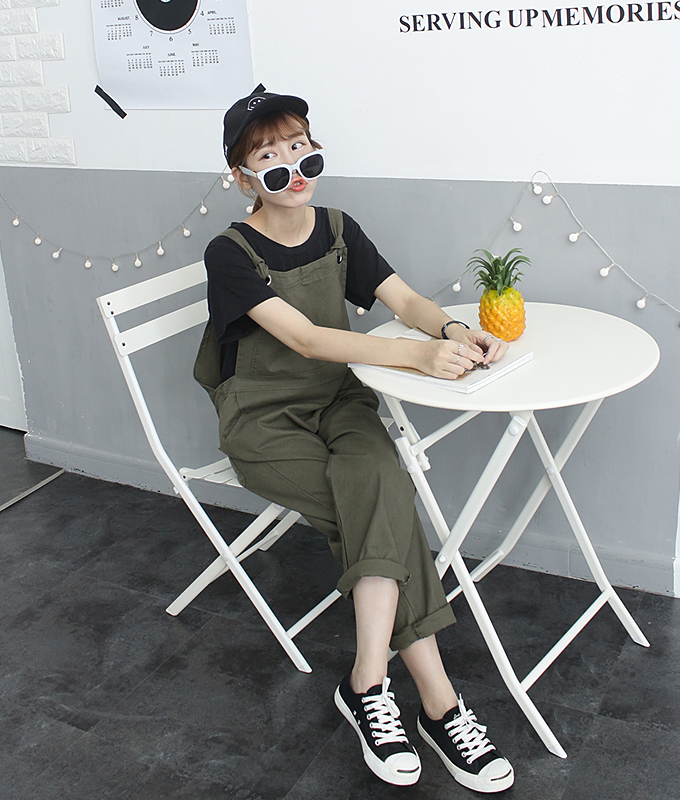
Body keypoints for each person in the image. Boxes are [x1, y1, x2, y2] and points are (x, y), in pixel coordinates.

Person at [194, 84, 514, 793]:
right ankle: (440, 704)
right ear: (241, 178)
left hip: (339, 402)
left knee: (377, 494)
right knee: (382, 504)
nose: (293, 169)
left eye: (301, 148)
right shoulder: (230, 252)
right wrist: (414, 355)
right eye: (269, 159)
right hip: (264, 421)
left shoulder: (338, 229)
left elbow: (403, 299)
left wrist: (455, 330)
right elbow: (308, 339)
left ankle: (369, 683)